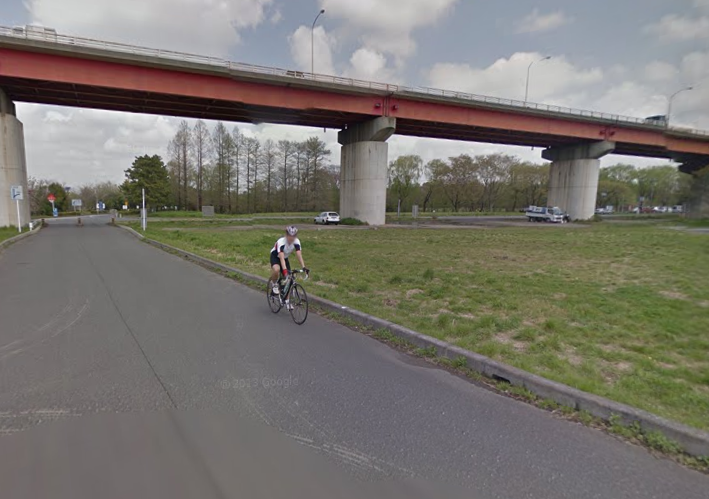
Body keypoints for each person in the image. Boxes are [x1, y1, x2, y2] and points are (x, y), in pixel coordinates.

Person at [269, 226, 307, 296]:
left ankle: (286, 300)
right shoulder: (281, 242)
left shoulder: (296, 241)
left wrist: (303, 267)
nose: (291, 238)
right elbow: (281, 258)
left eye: (293, 236)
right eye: (290, 235)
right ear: (286, 235)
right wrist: (285, 271)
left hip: (285, 258)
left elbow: (299, 255)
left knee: (290, 279)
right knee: (277, 269)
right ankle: (274, 284)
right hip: (275, 256)